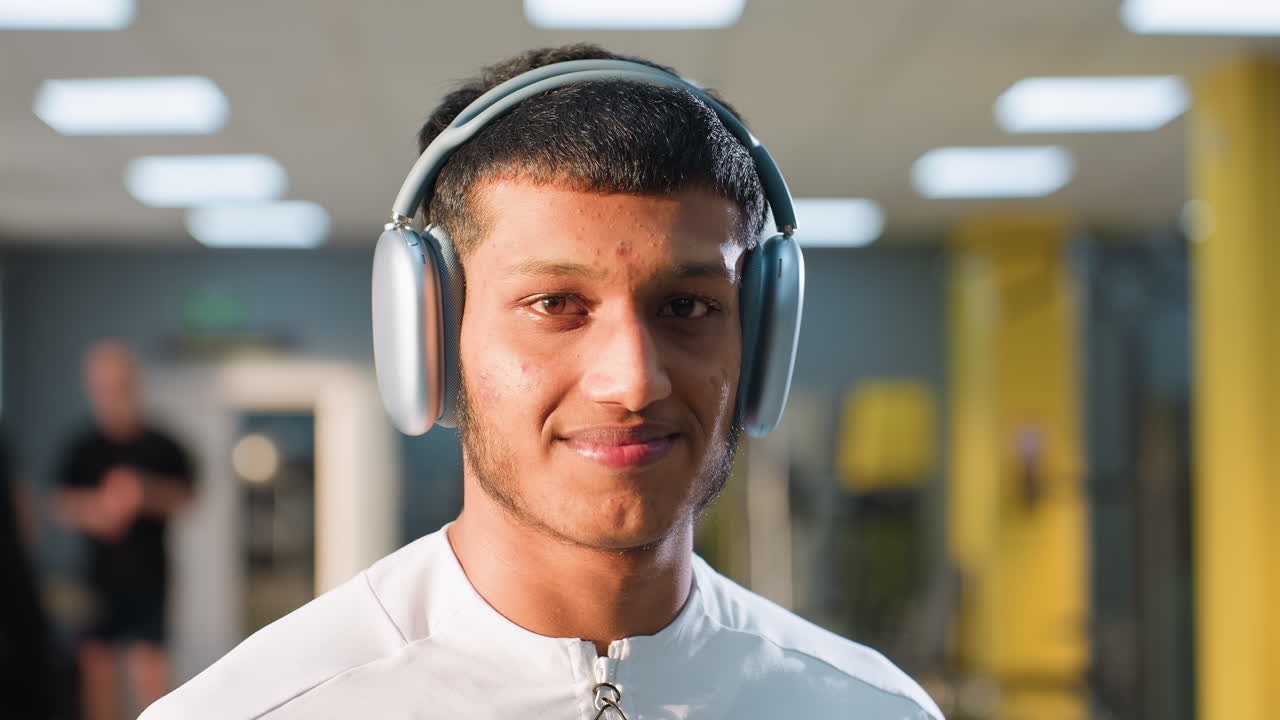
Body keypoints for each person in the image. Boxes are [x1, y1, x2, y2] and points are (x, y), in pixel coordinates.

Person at [142, 45, 943, 719]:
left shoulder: (873, 707)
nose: (632, 381)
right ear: (430, 334)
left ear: (762, 337)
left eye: (689, 305)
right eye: (555, 304)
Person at [55, 341, 194, 720]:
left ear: (134, 383)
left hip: (150, 575)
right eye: (105, 385)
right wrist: (99, 510)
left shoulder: (163, 445)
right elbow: (61, 504)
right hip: (98, 579)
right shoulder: (82, 447)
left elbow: (188, 497)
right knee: (97, 669)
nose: (112, 393)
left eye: (120, 383)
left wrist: (142, 494)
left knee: (148, 666)